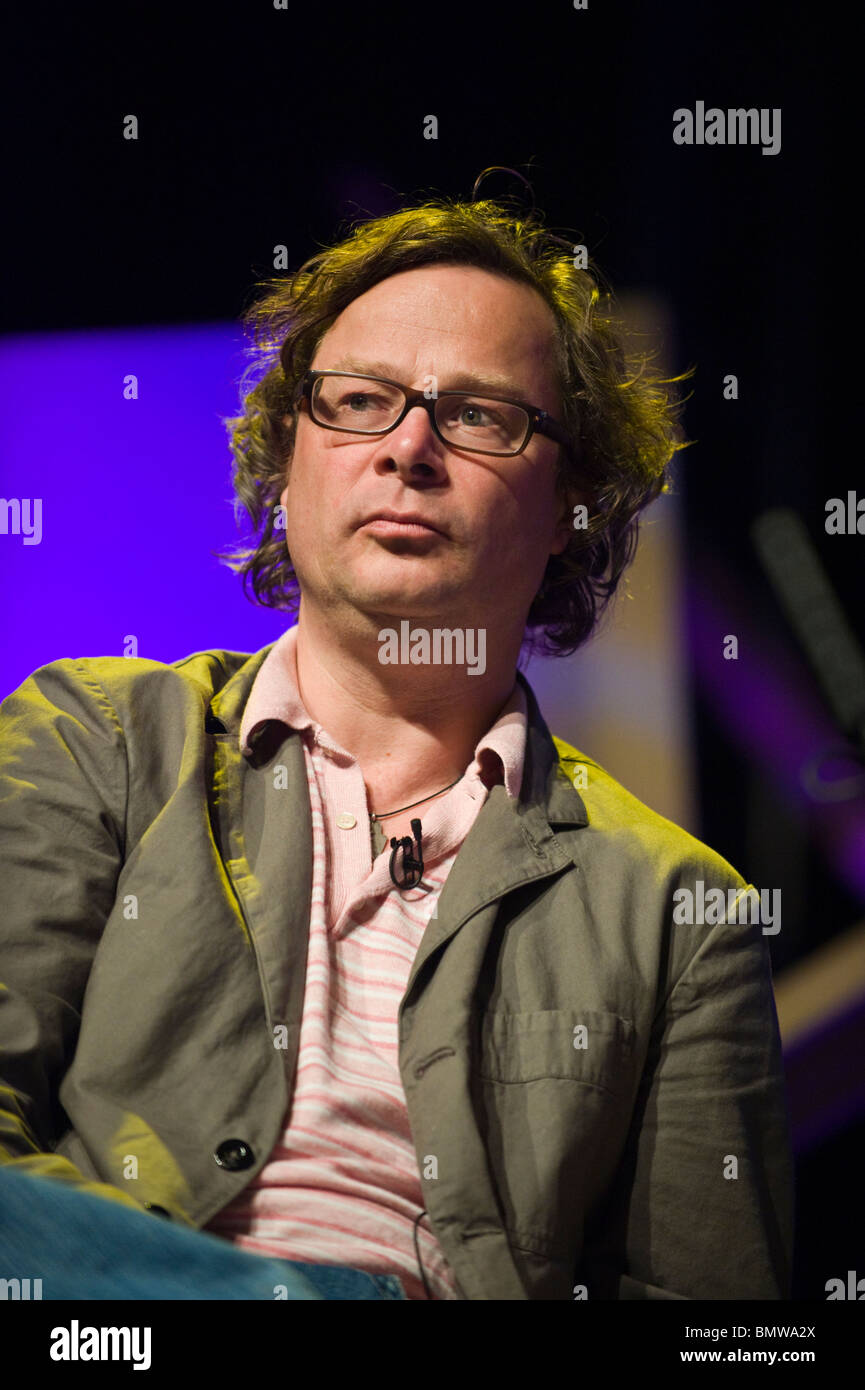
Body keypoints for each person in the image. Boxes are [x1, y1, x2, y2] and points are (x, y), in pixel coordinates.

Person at [0, 187, 793, 1301]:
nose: (408, 447)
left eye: (476, 415)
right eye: (360, 401)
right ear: (288, 461)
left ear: (572, 498)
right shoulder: (96, 737)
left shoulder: (673, 908)